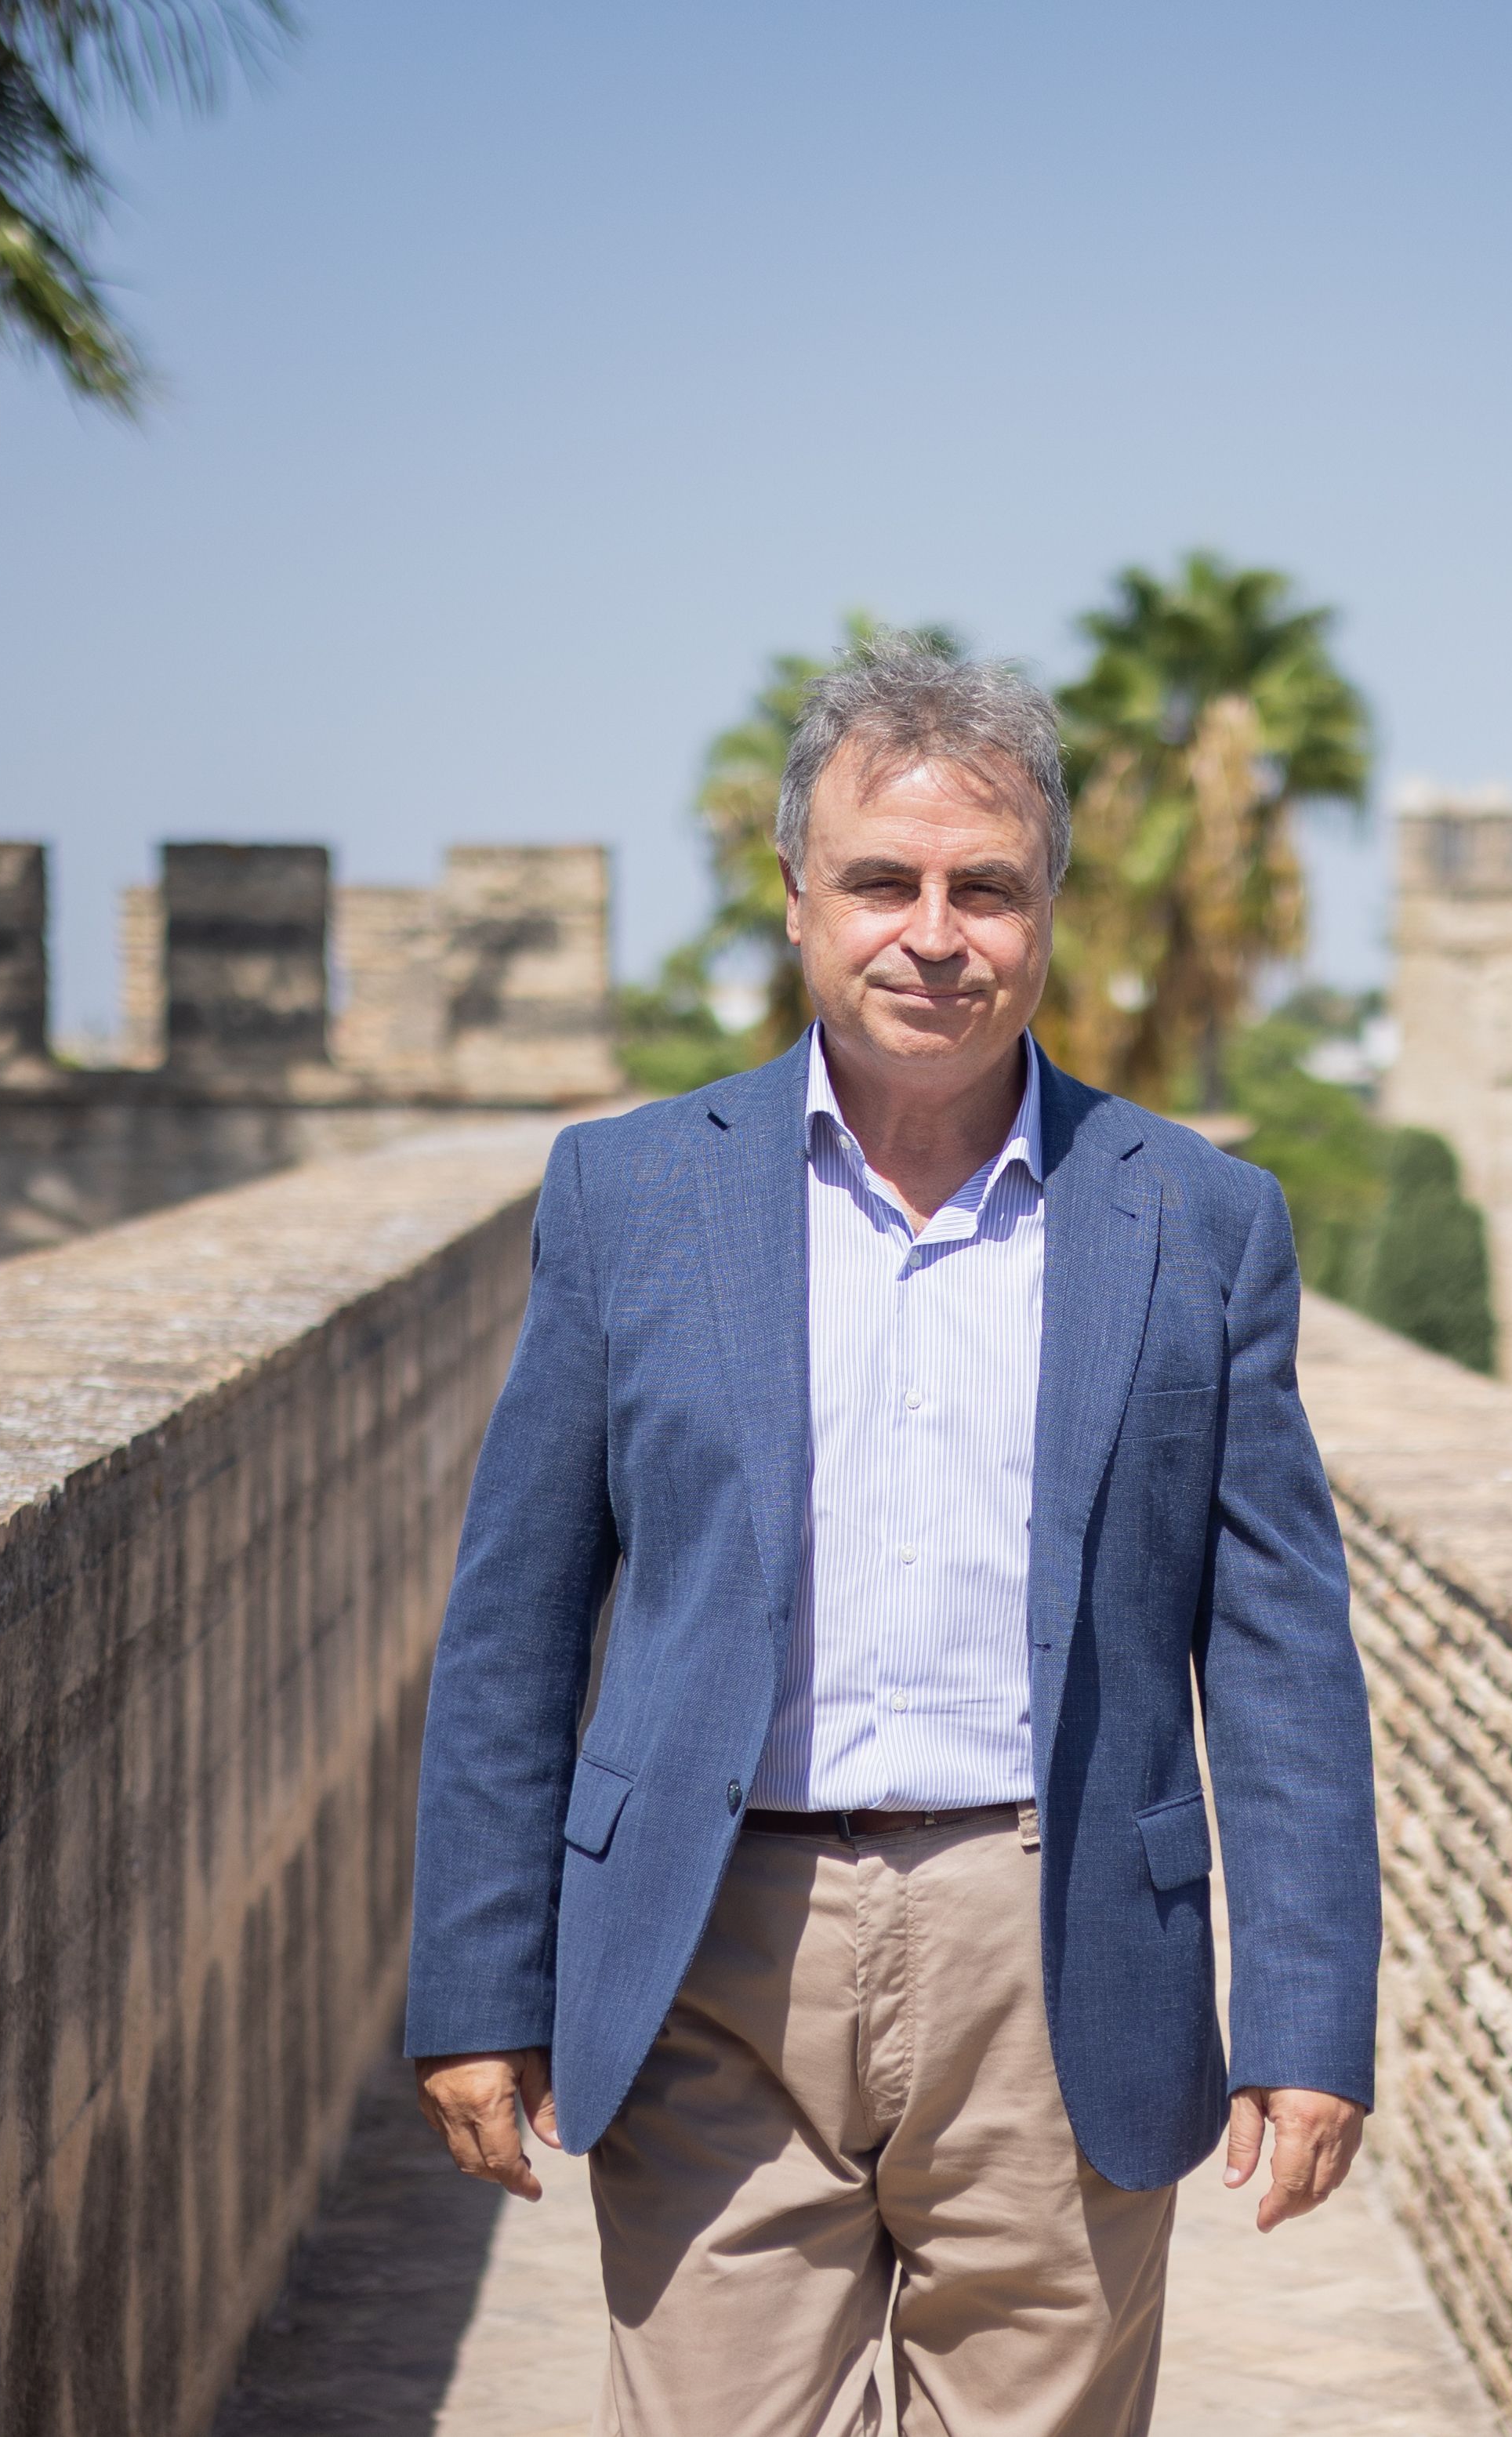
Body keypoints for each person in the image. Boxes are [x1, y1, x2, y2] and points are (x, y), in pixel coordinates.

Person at [405, 633, 1380, 2435]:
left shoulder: (1199, 1221)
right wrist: (475, 1977)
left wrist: (1309, 2019)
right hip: (712, 1945)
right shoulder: (627, 1198)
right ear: (797, 902)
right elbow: (518, 1617)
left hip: (1058, 1937)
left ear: (1045, 915)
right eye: (883, 881)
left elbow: (1280, 1658)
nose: (933, 931)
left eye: (984, 889)